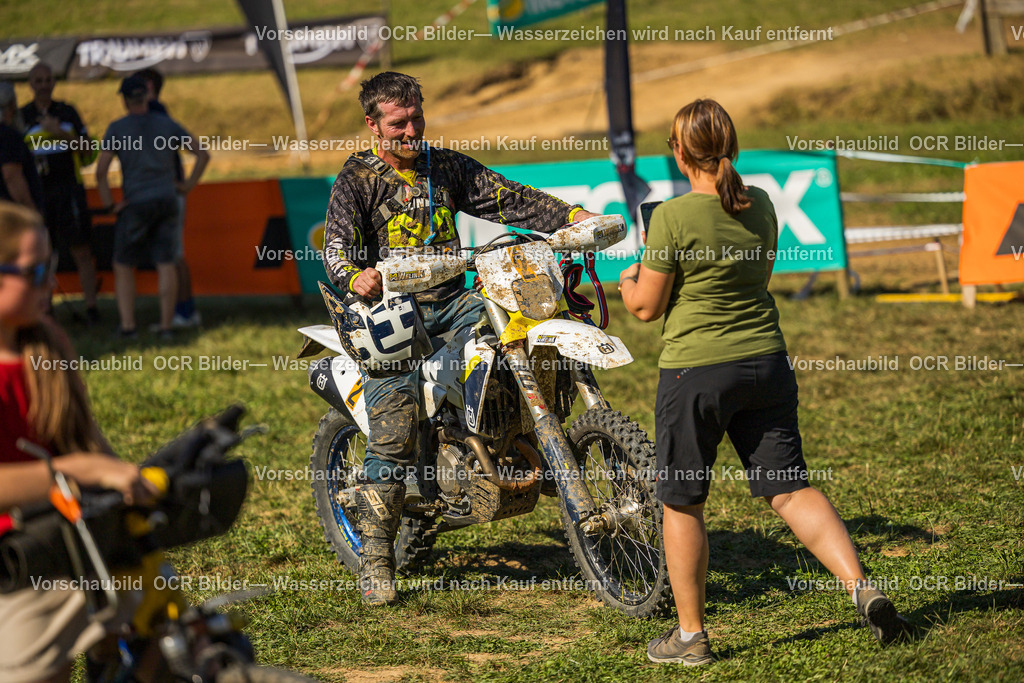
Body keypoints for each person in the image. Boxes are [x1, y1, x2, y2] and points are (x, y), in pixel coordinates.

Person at [618, 99, 912, 665]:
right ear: (733, 147)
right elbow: (759, 275)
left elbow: (648, 308)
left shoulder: (672, 218)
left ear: (679, 153)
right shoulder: (764, 206)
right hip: (766, 362)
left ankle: (689, 636)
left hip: (696, 371)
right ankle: (859, 586)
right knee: (790, 488)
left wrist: (631, 279)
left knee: (682, 502)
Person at [323, 71, 597, 605]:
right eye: (398, 121)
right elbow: (335, 247)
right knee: (394, 430)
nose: (410, 129)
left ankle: (522, 445)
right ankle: (377, 559)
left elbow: (507, 198)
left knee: (522, 335)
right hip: (391, 314)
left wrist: (570, 216)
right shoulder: (356, 179)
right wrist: (356, 274)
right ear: (373, 124)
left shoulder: (443, 165)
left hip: (454, 301)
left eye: (416, 116)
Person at [0, 200, 156, 682]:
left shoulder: (45, 344)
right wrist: (79, 471)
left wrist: (126, 480)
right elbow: (84, 462)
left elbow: (86, 439)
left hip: (66, 540)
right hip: (15, 565)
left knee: (162, 629)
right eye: (37, 270)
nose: (52, 280)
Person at [95, 74, 209, 339]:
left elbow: (101, 172)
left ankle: (128, 327)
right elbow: (202, 154)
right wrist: (187, 185)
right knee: (165, 263)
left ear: (124, 100)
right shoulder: (166, 124)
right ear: (147, 96)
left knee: (123, 265)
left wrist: (110, 205)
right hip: (168, 199)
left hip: (134, 202)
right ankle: (167, 327)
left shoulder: (117, 128)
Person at [21, 63, 101, 324]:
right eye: (38, 80)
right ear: (31, 84)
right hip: (39, 195)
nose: (44, 85)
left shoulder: (67, 112)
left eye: (48, 80)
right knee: (43, 254)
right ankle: (45, 310)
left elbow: (88, 151)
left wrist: (60, 134)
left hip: (69, 190)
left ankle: (91, 308)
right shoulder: (22, 116)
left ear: (54, 82)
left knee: (81, 249)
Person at [135, 68, 200, 329]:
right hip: (168, 191)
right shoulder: (156, 112)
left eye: (137, 87)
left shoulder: (156, 113)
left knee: (173, 256)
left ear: (149, 87)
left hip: (168, 193)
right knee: (174, 255)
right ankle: (185, 311)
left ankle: (184, 313)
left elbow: (197, 151)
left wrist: (185, 185)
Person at [0, 82, 43, 211]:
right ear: (12, 104)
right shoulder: (8, 136)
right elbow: (12, 176)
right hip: (10, 218)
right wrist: (31, 214)